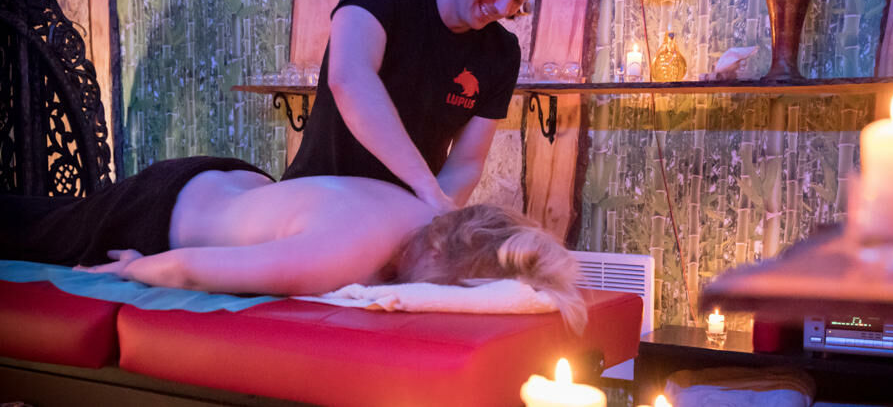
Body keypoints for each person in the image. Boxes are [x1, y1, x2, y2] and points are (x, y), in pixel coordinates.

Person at [0, 157, 585, 332]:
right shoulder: (347, 251)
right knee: (33, 230)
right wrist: (135, 267)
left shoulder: (430, 212)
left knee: (48, 215)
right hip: (156, 211)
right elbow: (187, 272)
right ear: (440, 256)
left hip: (226, 180)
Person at [282, 0, 552, 214]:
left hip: (405, 217)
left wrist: (431, 217)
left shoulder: (502, 52)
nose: (503, 8)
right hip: (315, 202)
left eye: (518, 0)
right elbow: (350, 80)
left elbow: (467, 162)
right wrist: (427, 188)